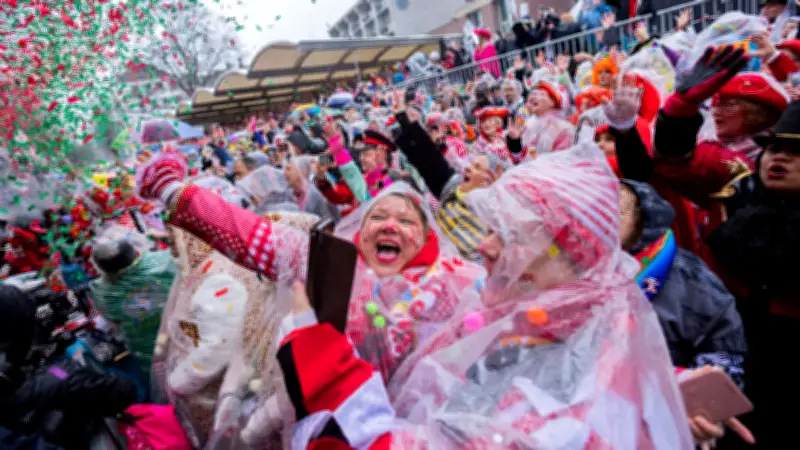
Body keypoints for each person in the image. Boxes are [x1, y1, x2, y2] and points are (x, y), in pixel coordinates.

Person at [272, 142, 693, 449]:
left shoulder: (577, 396)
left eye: (508, 235)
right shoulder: (541, 314)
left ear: (570, 255)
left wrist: (318, 362)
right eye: (377, 215)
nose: (486, 246)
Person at [134, 150, 485, 385]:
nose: (389, 225)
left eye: (405, 220)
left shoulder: (461, 280)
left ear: (426, 235)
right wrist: (173, 192)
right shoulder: (337, 264)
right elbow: (255, 236)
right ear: (361, 232)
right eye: (378, 217)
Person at [652, 48, 800, 448]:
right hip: (739, 356)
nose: (780, 156)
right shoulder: (738, 191)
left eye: (796, 149)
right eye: (775, 147)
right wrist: (682, 107)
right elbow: (673, 162)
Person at [283, 156, 341, 222]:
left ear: (301, 171)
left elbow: (329, 222)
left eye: (288, 169)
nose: (284, 172)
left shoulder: (316, 194)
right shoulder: (291, 194)